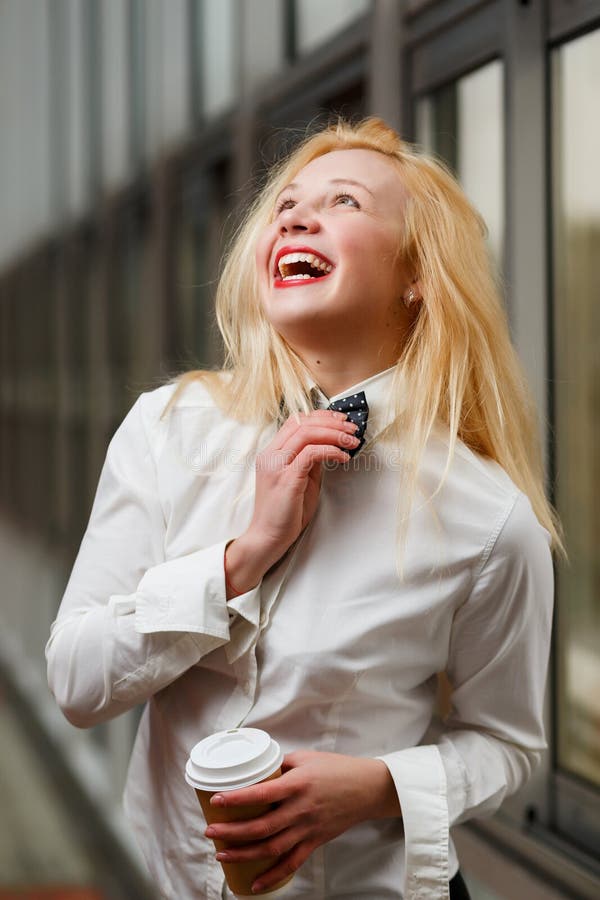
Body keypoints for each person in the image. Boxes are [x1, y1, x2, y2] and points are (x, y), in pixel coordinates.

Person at [46, 118, 559, 900]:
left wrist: (378, 787)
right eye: (285, 205)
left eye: (343, 201)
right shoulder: (168, 430)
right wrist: (241, 559)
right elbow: (76, 681)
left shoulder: (489, 519)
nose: (295, 218)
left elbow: (509, 746)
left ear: (417, 274)